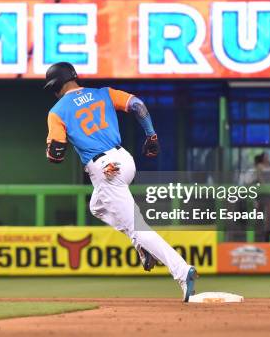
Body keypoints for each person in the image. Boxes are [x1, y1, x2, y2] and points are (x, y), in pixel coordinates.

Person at [43, 61, 197, 301]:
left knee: (138, 227)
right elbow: (137, 105)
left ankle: (181, 270)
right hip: (125, 160)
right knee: (97, 206)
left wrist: (51, 152)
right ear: (73, 77)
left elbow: (56, 153)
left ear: (55, 86)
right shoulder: (103, 94)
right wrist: (151, 135)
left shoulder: (57, 111)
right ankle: (141, 246)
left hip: (105, 168)